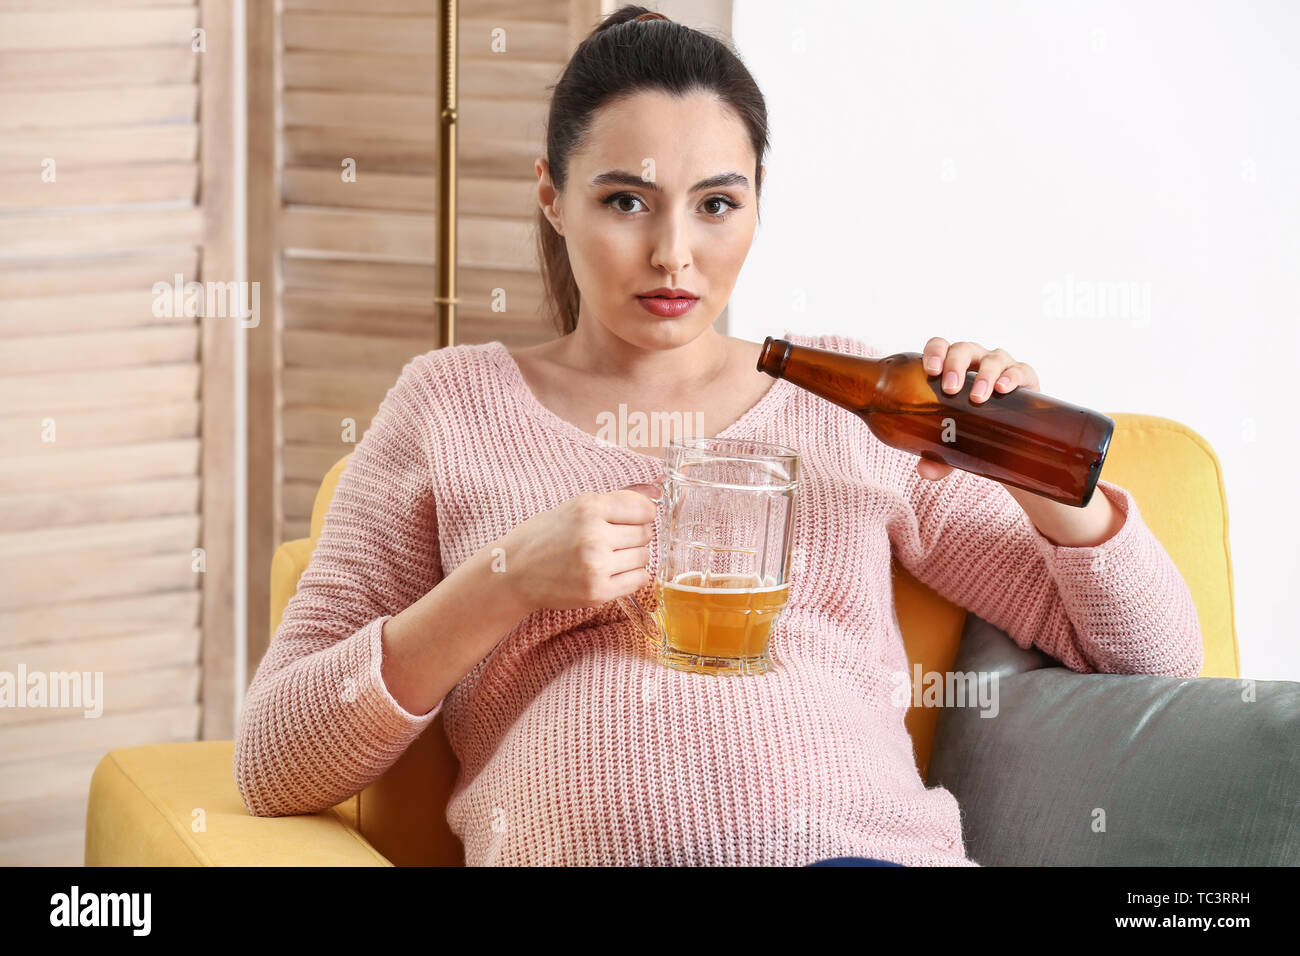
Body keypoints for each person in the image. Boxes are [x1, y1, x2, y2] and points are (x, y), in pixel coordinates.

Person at [233, 5, 1203, 867]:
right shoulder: (448, 407)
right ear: (551, 196)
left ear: (757, 201)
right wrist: (506, 580)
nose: (673, 254)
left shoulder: (856, 401)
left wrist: (1029, 467)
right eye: (626, 200)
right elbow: (274, 760)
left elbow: (1159, 660)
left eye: (716, 205)